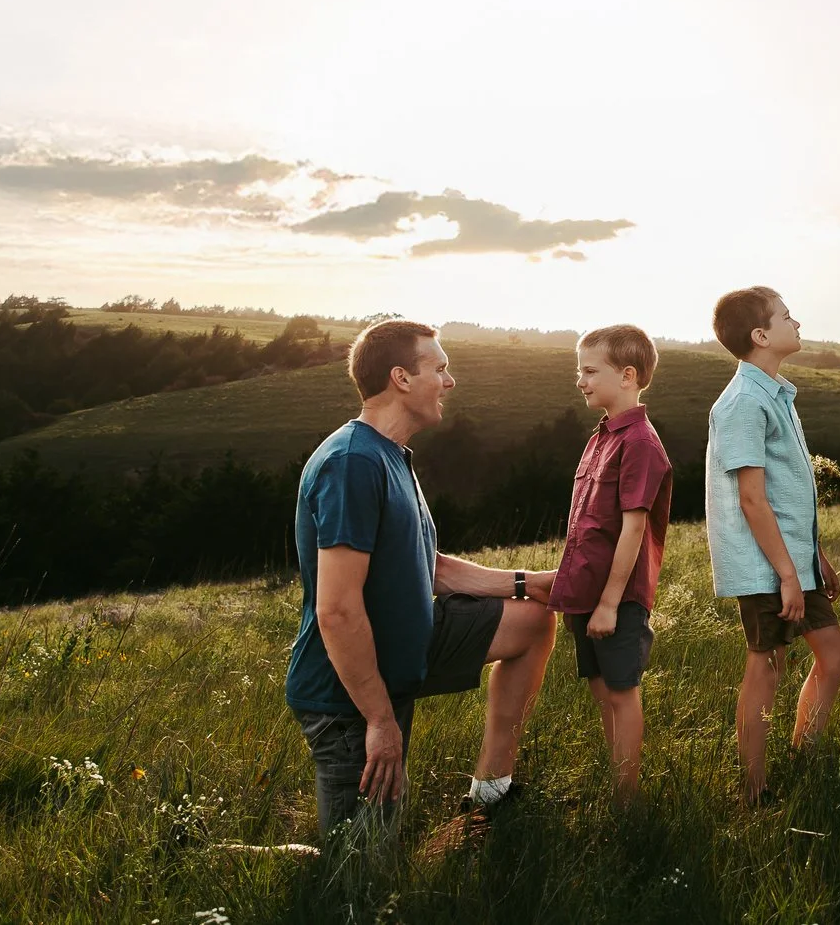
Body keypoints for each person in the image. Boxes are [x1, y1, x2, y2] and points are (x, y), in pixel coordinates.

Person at [282, 318, 559, 835]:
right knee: (359, 877)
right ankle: (212, 853)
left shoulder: (390, 456)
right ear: (401, 379)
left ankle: (490, 794)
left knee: (532, 620)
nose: (450, 382)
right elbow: (336, 608)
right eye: (440, 368)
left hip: (406, 656)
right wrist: (380, 721)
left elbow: (425, 565)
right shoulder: (351, 464)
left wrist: (527, 582)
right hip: (348, 699)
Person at [706, 285, 840, 801]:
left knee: (833, 653)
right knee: (765, 664)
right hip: (765, 564)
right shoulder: (744, 402)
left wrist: (815, 559)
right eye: (787, 317)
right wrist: (788, 574)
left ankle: (803, 755)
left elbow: (787, 495)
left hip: (793, 559)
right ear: (761, 335)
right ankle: (753, 788)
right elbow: (751, 499)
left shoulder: (775, 392)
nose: (798, 323)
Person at [548, 323, 675, 802]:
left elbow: (633, 528)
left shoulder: (639, 442)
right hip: (587, 590)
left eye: (588, 371)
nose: (580, 380)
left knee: (622, 692)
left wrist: (608, 604)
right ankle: (616, 780)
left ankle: (627, 799)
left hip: (615, 597)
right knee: (602, 690)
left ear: (627, 375)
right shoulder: (601, 436)